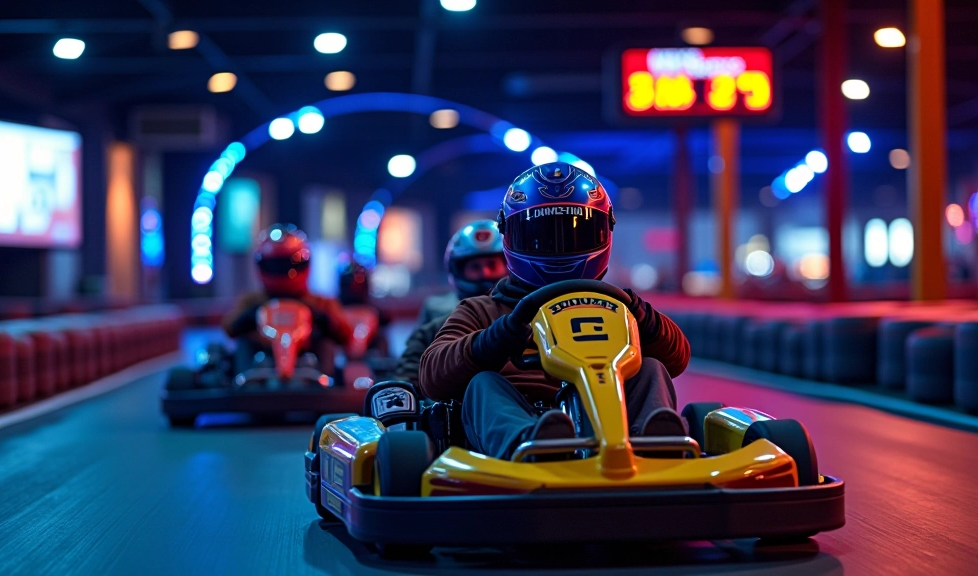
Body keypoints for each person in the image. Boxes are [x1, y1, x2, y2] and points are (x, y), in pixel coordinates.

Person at [419, 163, 691, 460]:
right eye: (542, 237)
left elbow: (676, 358)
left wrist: (641, 313)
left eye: (576, 235)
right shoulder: (483, 310)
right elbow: (432, 375)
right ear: (510, 236)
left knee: (651, 367)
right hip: (523, 414)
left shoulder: (619, 306)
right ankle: (532, 444)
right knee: (482, 385)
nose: (560, 248)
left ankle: (654, 444)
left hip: (611, 415)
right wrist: (496, 339)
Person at [222, 224, 353, 375]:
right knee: (243, 344)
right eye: (275, 265)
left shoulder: (320, 302)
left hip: (308, 361)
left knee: (326, 344)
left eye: (287, 265)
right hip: (261, 361)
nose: (282, 271)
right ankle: (243, 384)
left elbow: (345, 335)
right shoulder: (252, 301)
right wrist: (251, 316)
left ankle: (326, 386)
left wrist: (320, 318)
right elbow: (229, 328)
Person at [393, 220, 508, 390]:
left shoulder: (524, 309)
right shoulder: (437, 314)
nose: (485, 273)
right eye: (475, 267)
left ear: (508, 265)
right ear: (458, 270)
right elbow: (410, 374)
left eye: (492, 265)